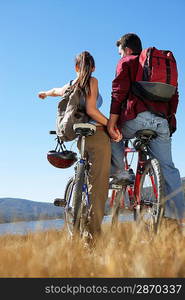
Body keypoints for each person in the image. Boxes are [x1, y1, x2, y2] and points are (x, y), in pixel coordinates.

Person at [107, 33, 185, 232]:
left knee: (114, 135)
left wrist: (112, 123)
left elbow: (118, 91)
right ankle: (179, 219)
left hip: (136, 117)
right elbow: (174, 95)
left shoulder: (127, 62)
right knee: (169, 168)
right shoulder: (159, 67)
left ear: (127, 50)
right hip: (161, 122)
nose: (119, 56)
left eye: (120, 52)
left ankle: (121, 172)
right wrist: (168, 118)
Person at [38, 51, 111, 241]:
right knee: (99, 184)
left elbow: (55, 90)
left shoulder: (70, 85)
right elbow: (92, 110)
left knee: (87, 174)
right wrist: (111, 124)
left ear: (75, 68)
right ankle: (92, 236)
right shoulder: (92, 81)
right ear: (93, 68)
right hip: (96, 134)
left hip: (80, 137)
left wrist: (45, 94)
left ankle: (77, 208)